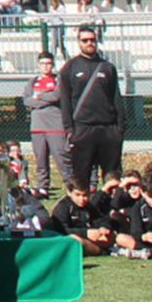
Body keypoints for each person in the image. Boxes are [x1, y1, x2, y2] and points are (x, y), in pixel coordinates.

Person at [58, 25, 123, 191]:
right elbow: (65, 101)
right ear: (78, 42)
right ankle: (84, 214)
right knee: (81, 178)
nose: (89, 43)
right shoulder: (69, 68)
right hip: (83, 129)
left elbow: (116, 98)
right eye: (85, 40)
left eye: (92, 40)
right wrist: (70, 129)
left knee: (113, 177)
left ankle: (112, 212)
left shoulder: (108, 67)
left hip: (108, 129)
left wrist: (120, 128)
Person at [24, 52, 69, 196]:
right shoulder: (33, 82)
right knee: (41, 160)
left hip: (56, 126)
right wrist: (45, 99)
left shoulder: (58, 80)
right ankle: (43, 187)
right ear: (38, 65)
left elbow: (57, 96)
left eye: (49, 63)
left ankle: (71, 185)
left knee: (62, 159)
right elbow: (27, 100)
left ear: (53, 64)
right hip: (37, 127)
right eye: (43, 63)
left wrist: (39, 97)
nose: (46, 66)